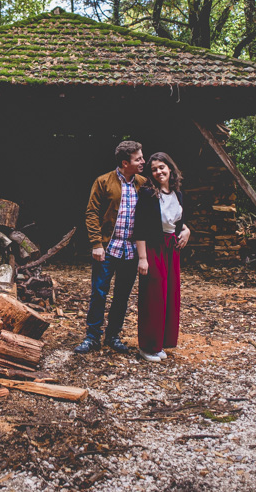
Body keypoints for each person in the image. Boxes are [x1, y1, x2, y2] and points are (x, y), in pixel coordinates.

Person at [75, 140, 147, 354]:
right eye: (139, 158)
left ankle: (113, 336)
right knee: (99, 292)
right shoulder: (103, 181)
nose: (144, 161)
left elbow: (157, 213)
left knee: (122, 295)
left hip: (131, 251)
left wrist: (184, 227)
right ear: (126, 163)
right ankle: (92, 337)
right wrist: (96, 244)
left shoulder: (143, 183)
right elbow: (91, 213)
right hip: (107, 249)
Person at [132, 151, 191, 362]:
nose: (158, 172)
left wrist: (187, 231)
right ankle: (147, 346)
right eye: (154, 169)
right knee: (153, 295)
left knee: (169, 295)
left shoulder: (177, 194)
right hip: (153, 248)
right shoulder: (148, 193)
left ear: (170, 168)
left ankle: (162, 342)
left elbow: (177, 222)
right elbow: (139, 227)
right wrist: (142, 258)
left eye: (162, 167)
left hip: (171, 249)